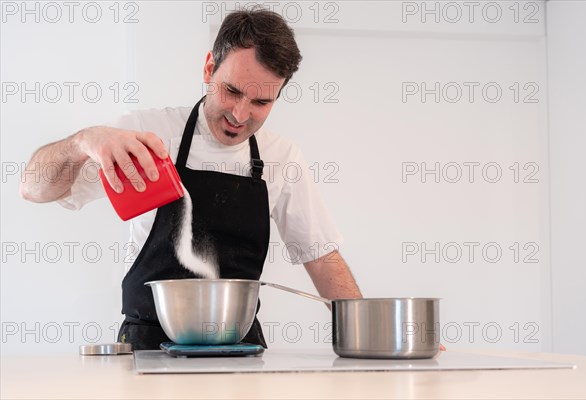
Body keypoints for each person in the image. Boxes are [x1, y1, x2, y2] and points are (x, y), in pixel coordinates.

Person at [19, 9, 362, 350]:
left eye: (261, 101)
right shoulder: (145, 136)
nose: (240, 115)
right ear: (209, 68)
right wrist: (82, 142)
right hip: (147, 349)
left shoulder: (281, 157)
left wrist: (362, 341)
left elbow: (321, 257)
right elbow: (32, 189)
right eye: (231, 90)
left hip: (240, 353)